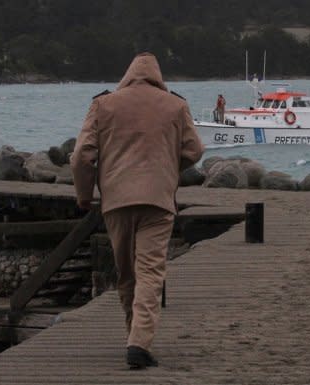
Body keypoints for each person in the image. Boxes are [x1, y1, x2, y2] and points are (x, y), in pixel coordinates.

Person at [71, 52, 204, 368]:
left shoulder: (103, 105)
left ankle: (134, 336)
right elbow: (195, 150)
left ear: (127, 74)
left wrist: (84, 195)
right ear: (158, 76)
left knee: (127, 272)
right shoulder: (175, 105)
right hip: (157, 200)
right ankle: (139, 341)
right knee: (150, 270)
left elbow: (81, 157)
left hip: (116, 200)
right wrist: (170, 168)